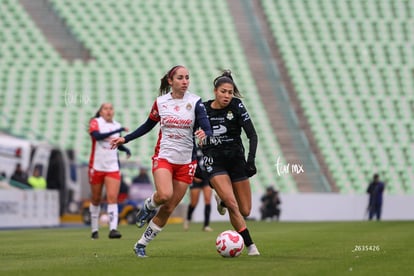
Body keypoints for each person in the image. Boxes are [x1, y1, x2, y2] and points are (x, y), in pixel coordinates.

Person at [110, 65, 212, 257]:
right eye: (180, 78)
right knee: (164, 195)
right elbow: (148, 125)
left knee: (169, 207)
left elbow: (207, 127)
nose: (185, 81)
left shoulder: (196, 102)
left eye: (187, 78)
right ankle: (149, 205)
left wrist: (204, 132)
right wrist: (126, 138)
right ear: (170, 81)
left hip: (186, 162)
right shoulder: (161, 102)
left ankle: (141, 244)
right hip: (164, 157)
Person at [201, 70, 260, 256]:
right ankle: (251, 246)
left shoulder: (237, 106)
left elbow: (252, 135)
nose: (227, 95)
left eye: (230, 92)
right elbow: (195, 137)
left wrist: (250, 161)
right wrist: (200, 139)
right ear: (215, 91)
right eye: (223, 91)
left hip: (236, 160)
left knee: (245, 210)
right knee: (233, 204)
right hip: (214, 161)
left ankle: (222, 200)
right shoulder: (202, 109)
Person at [88, 102, 131, 239]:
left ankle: (113, 229)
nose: (108, 111)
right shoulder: (96, 122)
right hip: (97, 166)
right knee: (96, 198)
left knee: (112, 197)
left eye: (111, 108)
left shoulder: (117, 125)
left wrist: (125, 149)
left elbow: (115, 143)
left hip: (112, 166)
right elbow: (97, 136)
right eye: (105, 109)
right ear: (101, 112)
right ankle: (94, 229)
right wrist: (118, 131)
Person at [183, 165, 213, 232]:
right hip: (196, 178)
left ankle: (206, 225)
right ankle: (188, 219)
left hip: (206, 178)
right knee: (194, 203)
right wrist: (194, 175)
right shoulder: (194, 154)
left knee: (208, 200)